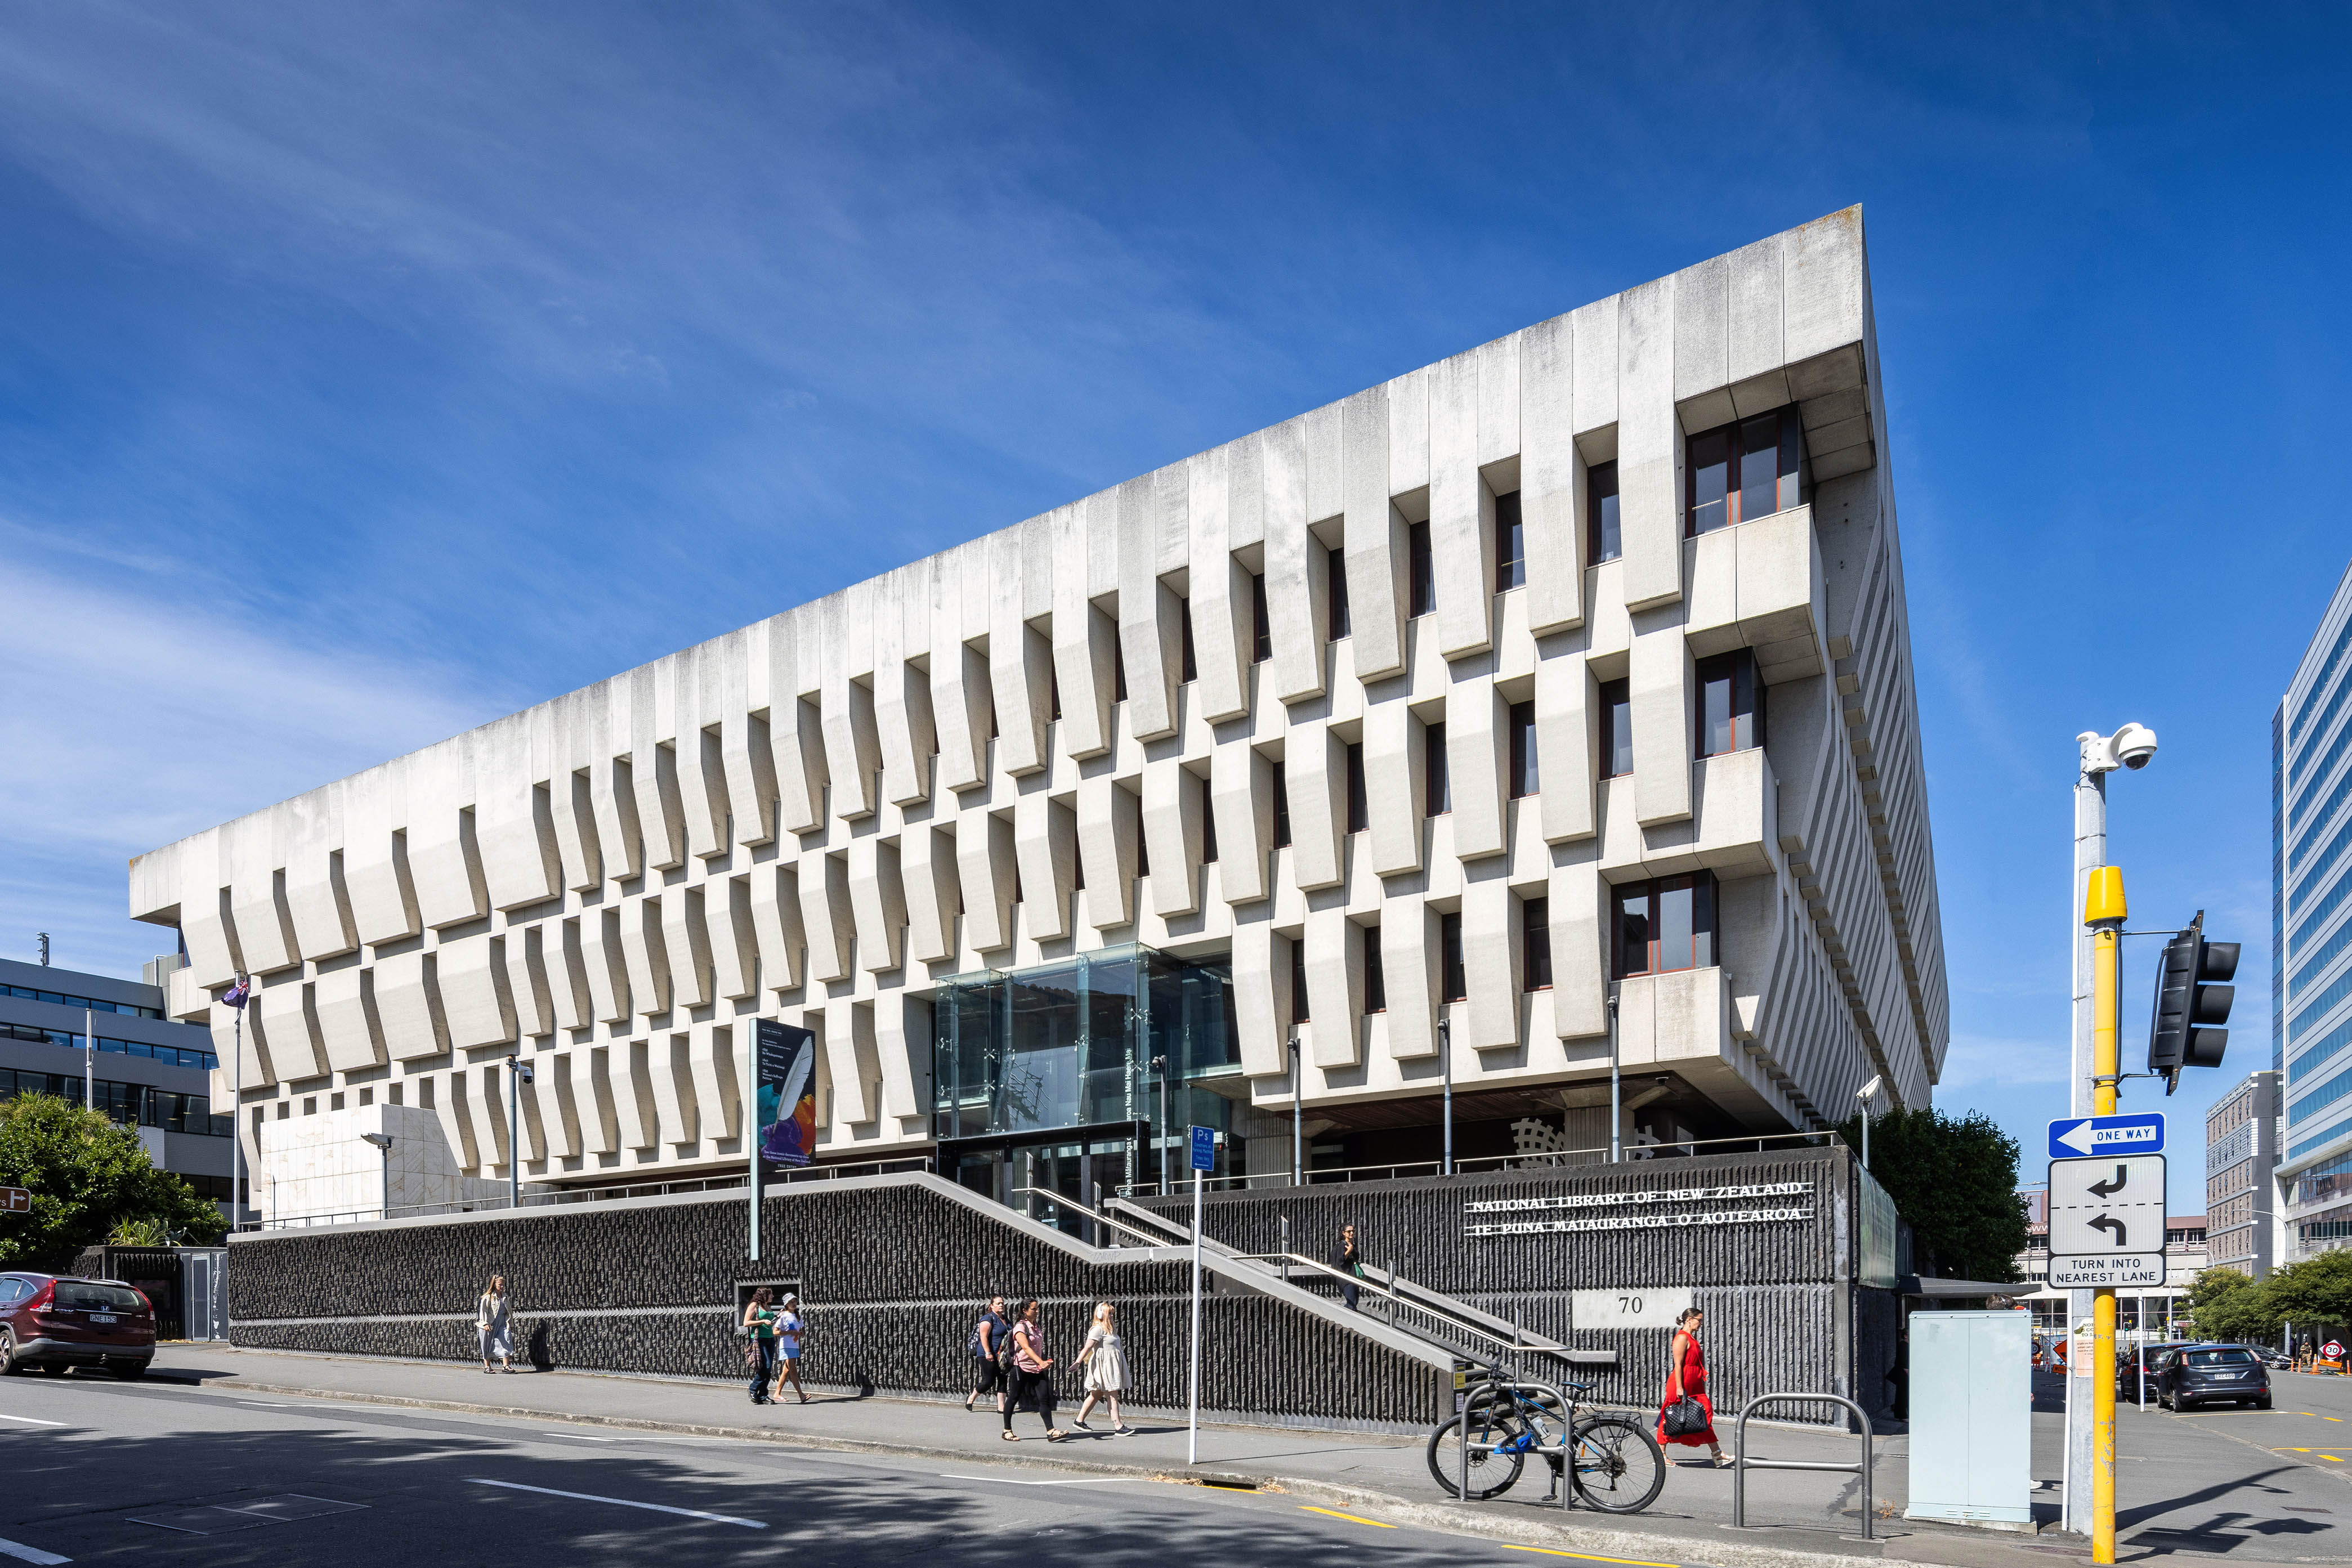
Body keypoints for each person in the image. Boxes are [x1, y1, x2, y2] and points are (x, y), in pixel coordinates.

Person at [1657, 1306, 1729, 1467]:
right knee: (1669, 1418)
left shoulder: (1692, 1338)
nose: (1701, 1323)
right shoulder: (1682, 1338)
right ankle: (1660, 1454)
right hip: (1681, 1383)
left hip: (1695, 1385)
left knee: (1704, 1415)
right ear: (1689, 1320)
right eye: (1699, 1320)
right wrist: (1680, 1388)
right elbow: (1678, 1364)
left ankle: (1717, 1453)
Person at [1001, 1297, 1065, 1442]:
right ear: (1025, 1311)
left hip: (1036, 1368)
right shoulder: (1020, 1327)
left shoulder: (1036, 1326)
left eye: (1038, 1308)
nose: (1037, 1311)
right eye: (1034, 1309)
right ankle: (1007, 1431)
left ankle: (1051, 1431)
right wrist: (1040, 1362)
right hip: (1021, 1368)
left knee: (1045, 1398)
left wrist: (1043, 1362)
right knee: (1013, 1398)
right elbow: (1026, 1347)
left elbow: (1037, 1348)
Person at [1072, 1301, 1132, 1434]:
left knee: (1095, 1394)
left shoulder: (1110, 1329)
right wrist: (1077, 1363)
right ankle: (1118, 1425)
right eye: (1109, 1313)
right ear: (1100, 1314)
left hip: (1111, 1366)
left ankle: (1079, 1421)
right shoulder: (1098, 1329)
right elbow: (1087, 1348)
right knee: (1112, 1395)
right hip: (1104, 1367)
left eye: (1112, 1313)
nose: (1111, 1316)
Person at [966, 1295, 1010, 1414]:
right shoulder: (988, 1318)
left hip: (1002, 1355)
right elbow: (983, 1337)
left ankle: (1002, 1408)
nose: (1001, 1305)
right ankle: (971, 1398)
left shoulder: (1005, 1319)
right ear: (992, 1306)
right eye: (998, 1303)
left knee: (1003, 1379)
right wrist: (988, 1353)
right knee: (989, 1381)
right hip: (987, 1354)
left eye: (1002, 1303)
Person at [771, 1292, 810, 1405]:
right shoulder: (784, 1316)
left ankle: (777, 1393)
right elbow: (775, 1332)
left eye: (795, 1301)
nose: (794, 1304)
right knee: (793, 1370)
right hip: (786, 1346)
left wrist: (800, 1333)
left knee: (786, 1370)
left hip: (795, 1346)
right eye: (790, 1302)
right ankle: (801, 1395)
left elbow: (800, 1330)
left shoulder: (798, 1316)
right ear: (786, 1305)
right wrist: (790, 1332)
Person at [743, 1287, 779, 1405]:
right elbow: (746, 1323)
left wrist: (778, 1317)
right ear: (765, 1295)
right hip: (759, 1339)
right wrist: (762, 1321)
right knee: (766, 1365)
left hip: (770, 1338)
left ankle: (763, 1395)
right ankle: (753, 1388)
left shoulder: (767, 1306)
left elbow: (769, 1322)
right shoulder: (754, 1305)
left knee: (768, 1368)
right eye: (771, 1294)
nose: (773, 1297)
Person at [477, 1275, 516, 1374]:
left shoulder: (505, 1297)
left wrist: (510, 1324)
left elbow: (509, 1312)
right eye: (500, 1285)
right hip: (490, 1323)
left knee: (506, 1339)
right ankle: (487, 1367)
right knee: (487, 1344)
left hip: (502, 1322)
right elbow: (483, 1311)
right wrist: (485, 1324)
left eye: (503, 1285)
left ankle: (506, 1366)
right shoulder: (488, 1297)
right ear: (494, 1285)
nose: (502, 1287)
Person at [1334, 1223, 1363, 1311]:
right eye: (1349, 1231)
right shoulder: (1342, 1245)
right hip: (1346, 1278)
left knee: (1354, 1302)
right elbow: (1340, 1261)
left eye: (1353, 1231)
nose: (1351, 1233)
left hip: (1353, 1277)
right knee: (1351, 1304)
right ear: (1343, 1233)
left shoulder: (1352, 1244)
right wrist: (1349, 1251)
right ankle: (1339, 1316)